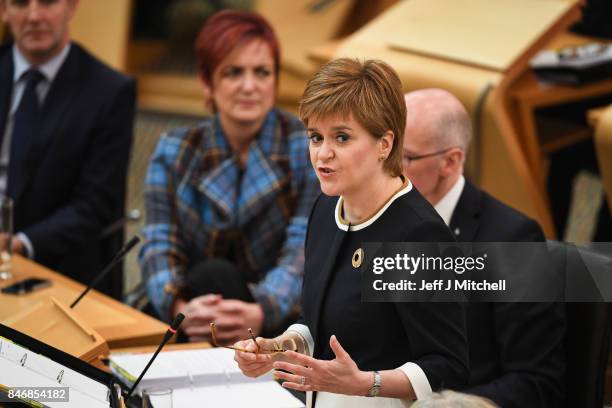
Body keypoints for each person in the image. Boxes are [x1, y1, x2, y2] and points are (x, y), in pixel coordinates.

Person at [234, 59, 468, 407]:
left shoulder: (417, 236)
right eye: (316, 137)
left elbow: (449, 367)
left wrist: (365, 383)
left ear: (384, 144)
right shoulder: (326, 209)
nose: (322, 154)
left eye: (341, 137)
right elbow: (316, 323)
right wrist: (278, 347)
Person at [139, 10, 319, 343]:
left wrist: (262, 310)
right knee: (211, 276)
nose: (249, 86)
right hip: (192, 310)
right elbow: (158, 242)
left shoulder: (306, 146)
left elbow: (302, 248)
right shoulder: (175, 150)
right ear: (207, 82)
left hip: (275, 318)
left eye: (262, 72)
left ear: (276, 81)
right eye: (233, 72)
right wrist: (181, 308)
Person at [402, 89, 565, 407]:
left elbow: (537, 382)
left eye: (405, 157)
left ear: (450, 162)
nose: (387, 167)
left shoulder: (512, 239)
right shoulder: (379, 216)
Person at [0, 0, 135, 297]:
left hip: (60, 271)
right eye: (21, 3)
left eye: (47, 1)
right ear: (3, 10)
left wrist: (18, 243)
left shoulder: (110, 92)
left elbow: (95, 204)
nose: (34, 16)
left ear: (72, 6)